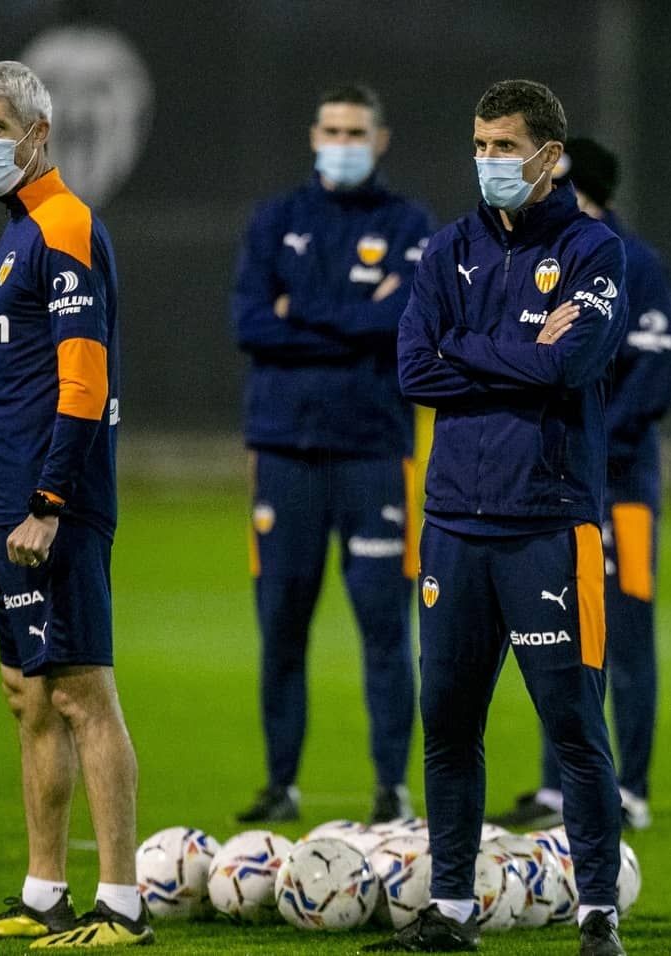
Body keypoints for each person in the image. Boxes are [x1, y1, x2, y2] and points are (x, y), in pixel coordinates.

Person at [367, 79, 628, 956]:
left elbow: (575, 363)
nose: (489, 164)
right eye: (480, 148)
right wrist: (518, 353)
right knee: (446, 725)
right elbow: (413, 370)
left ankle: (597, 916)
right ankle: (452, 911)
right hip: (453, 525)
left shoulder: (595, 251)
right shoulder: (448, 251)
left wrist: (468, 353)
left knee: (574, 728)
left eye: (505, 149)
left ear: (550, 157)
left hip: (548, 524)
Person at [0, 61, 149, 948]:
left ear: (38, 135)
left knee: (81, 694)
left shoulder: (65, 224)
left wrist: (50, 501)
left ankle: (123, 905)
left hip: (53, 509)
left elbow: (83, 375)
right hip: (12, 509)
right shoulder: (17, 231)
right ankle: (44, 894)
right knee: (27, 698)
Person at [231, 84, 432, 825]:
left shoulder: (410, 224)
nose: (342, 142)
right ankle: (281, 784)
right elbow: (250, 324)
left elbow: (403, 323)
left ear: (381, 140)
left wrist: (301, 314)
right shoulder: (275, 220)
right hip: (283, 452)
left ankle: (391, 789)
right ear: (313, 134)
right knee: (281, 623)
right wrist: (355, 319)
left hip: (374, 452)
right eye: (332, 129)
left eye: (356, 131)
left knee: (386, 625)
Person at [492, 138, 671, 833]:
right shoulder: (547, 261)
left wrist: (585, 441)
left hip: (621, 488)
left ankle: (629, 786)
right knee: (555, 630)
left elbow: (654, 379)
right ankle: (556, 785)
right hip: (556, 487)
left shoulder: (640, 266)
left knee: (625, 636)